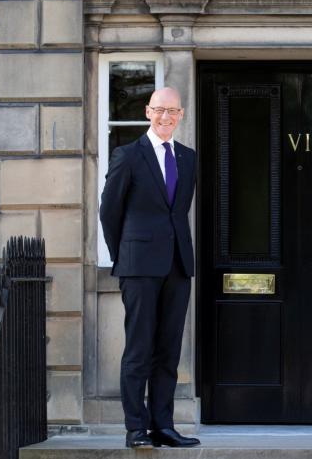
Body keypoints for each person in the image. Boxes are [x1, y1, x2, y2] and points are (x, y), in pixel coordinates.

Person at [99, 87, 200, 449]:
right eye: (159, 110)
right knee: (139, 349)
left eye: (172, 111)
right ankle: (136, 429)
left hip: (177, 266)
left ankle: (163, 425)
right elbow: (109, 211)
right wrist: (123, 255)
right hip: (139, 267)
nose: (165, 117)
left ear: (181, 115)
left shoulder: (188, 158)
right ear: (147, 111)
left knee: (168, 351)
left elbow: (179, 212)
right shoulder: (128, 155)